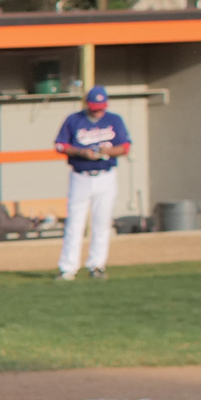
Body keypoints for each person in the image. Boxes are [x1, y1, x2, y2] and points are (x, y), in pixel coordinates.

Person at [54, 85, 130, 282]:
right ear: (87, 104)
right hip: (80, 175)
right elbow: (60, 145)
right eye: (94, 106)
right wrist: (81, 152)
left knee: (102, 223)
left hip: (106, 175)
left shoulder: (114, 120)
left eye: (101, 106)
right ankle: (68, 269)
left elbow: (125, 147)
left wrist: (105, 152)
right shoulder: (74, 119)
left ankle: (97, 265)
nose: (98, 110)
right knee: (74, 223)